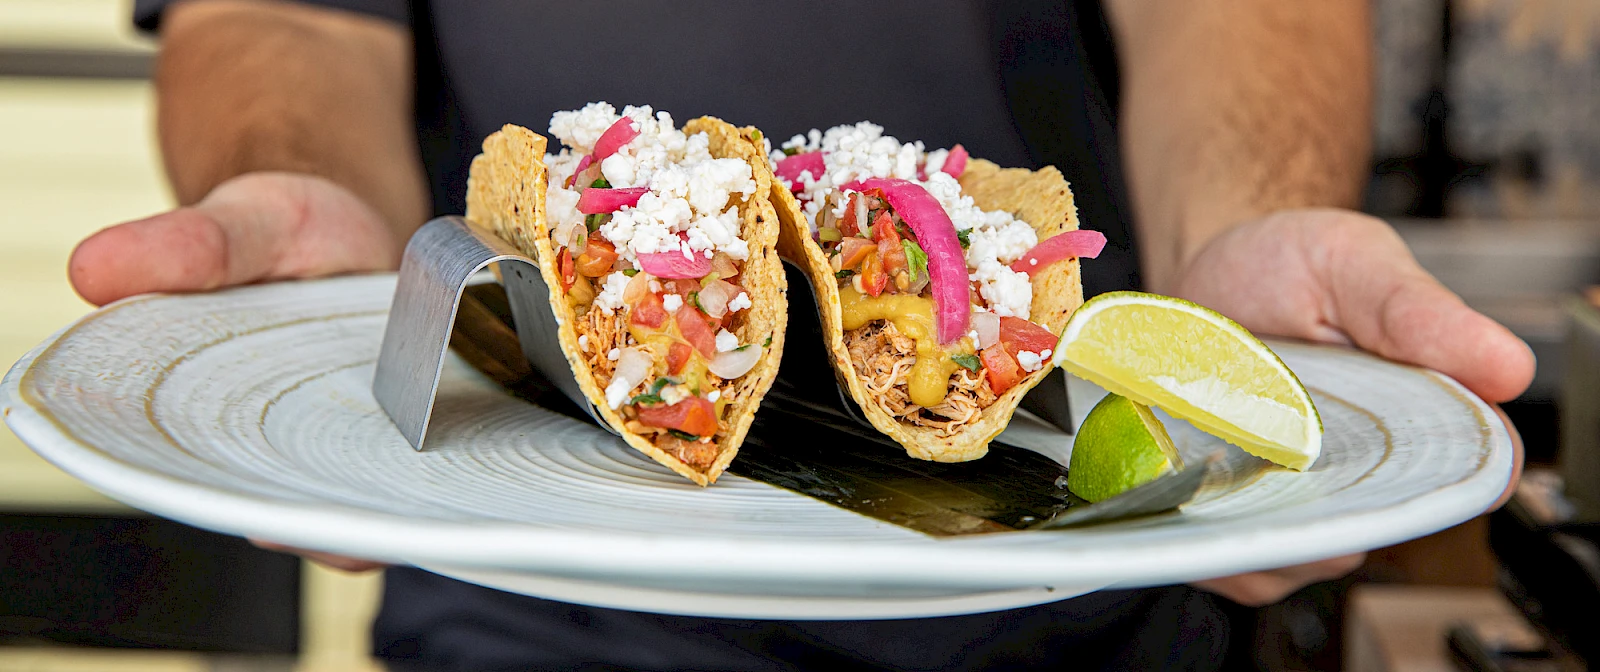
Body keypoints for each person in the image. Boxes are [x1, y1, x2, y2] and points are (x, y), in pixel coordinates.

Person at [72, 1, 1534, 669]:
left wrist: (1238, 232)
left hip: (1073, 584)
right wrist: (348, 258)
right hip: (519, 595)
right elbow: (289, 20)